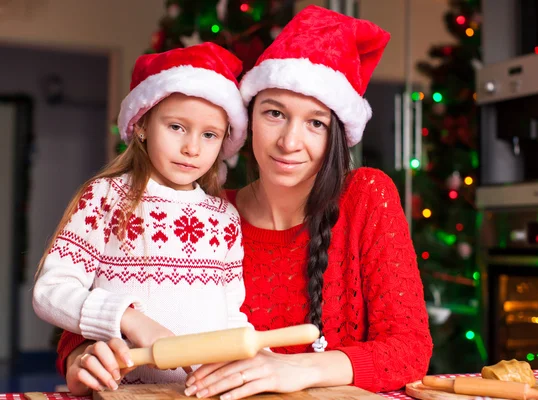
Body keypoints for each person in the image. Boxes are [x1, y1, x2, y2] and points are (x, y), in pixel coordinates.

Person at [57, 6, 433, 399]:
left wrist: (294, 369)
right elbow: (85, 316)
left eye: (315, 123)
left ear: (336, 135)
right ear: (248, 119)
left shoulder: (367, 196)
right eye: (274, 113)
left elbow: (409, 349)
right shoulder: (206, 216)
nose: (289, 142)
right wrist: (82, 358)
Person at [32, 42, 250, 394]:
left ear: (224, 141)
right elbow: (50, 291)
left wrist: (253, 356)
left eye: (209, 134)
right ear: (143, 123)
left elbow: (230, 315)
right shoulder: (106, 198)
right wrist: (128, 319)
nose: (192, 148)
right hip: (123, 392)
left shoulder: (224, 217)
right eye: (177, 127)